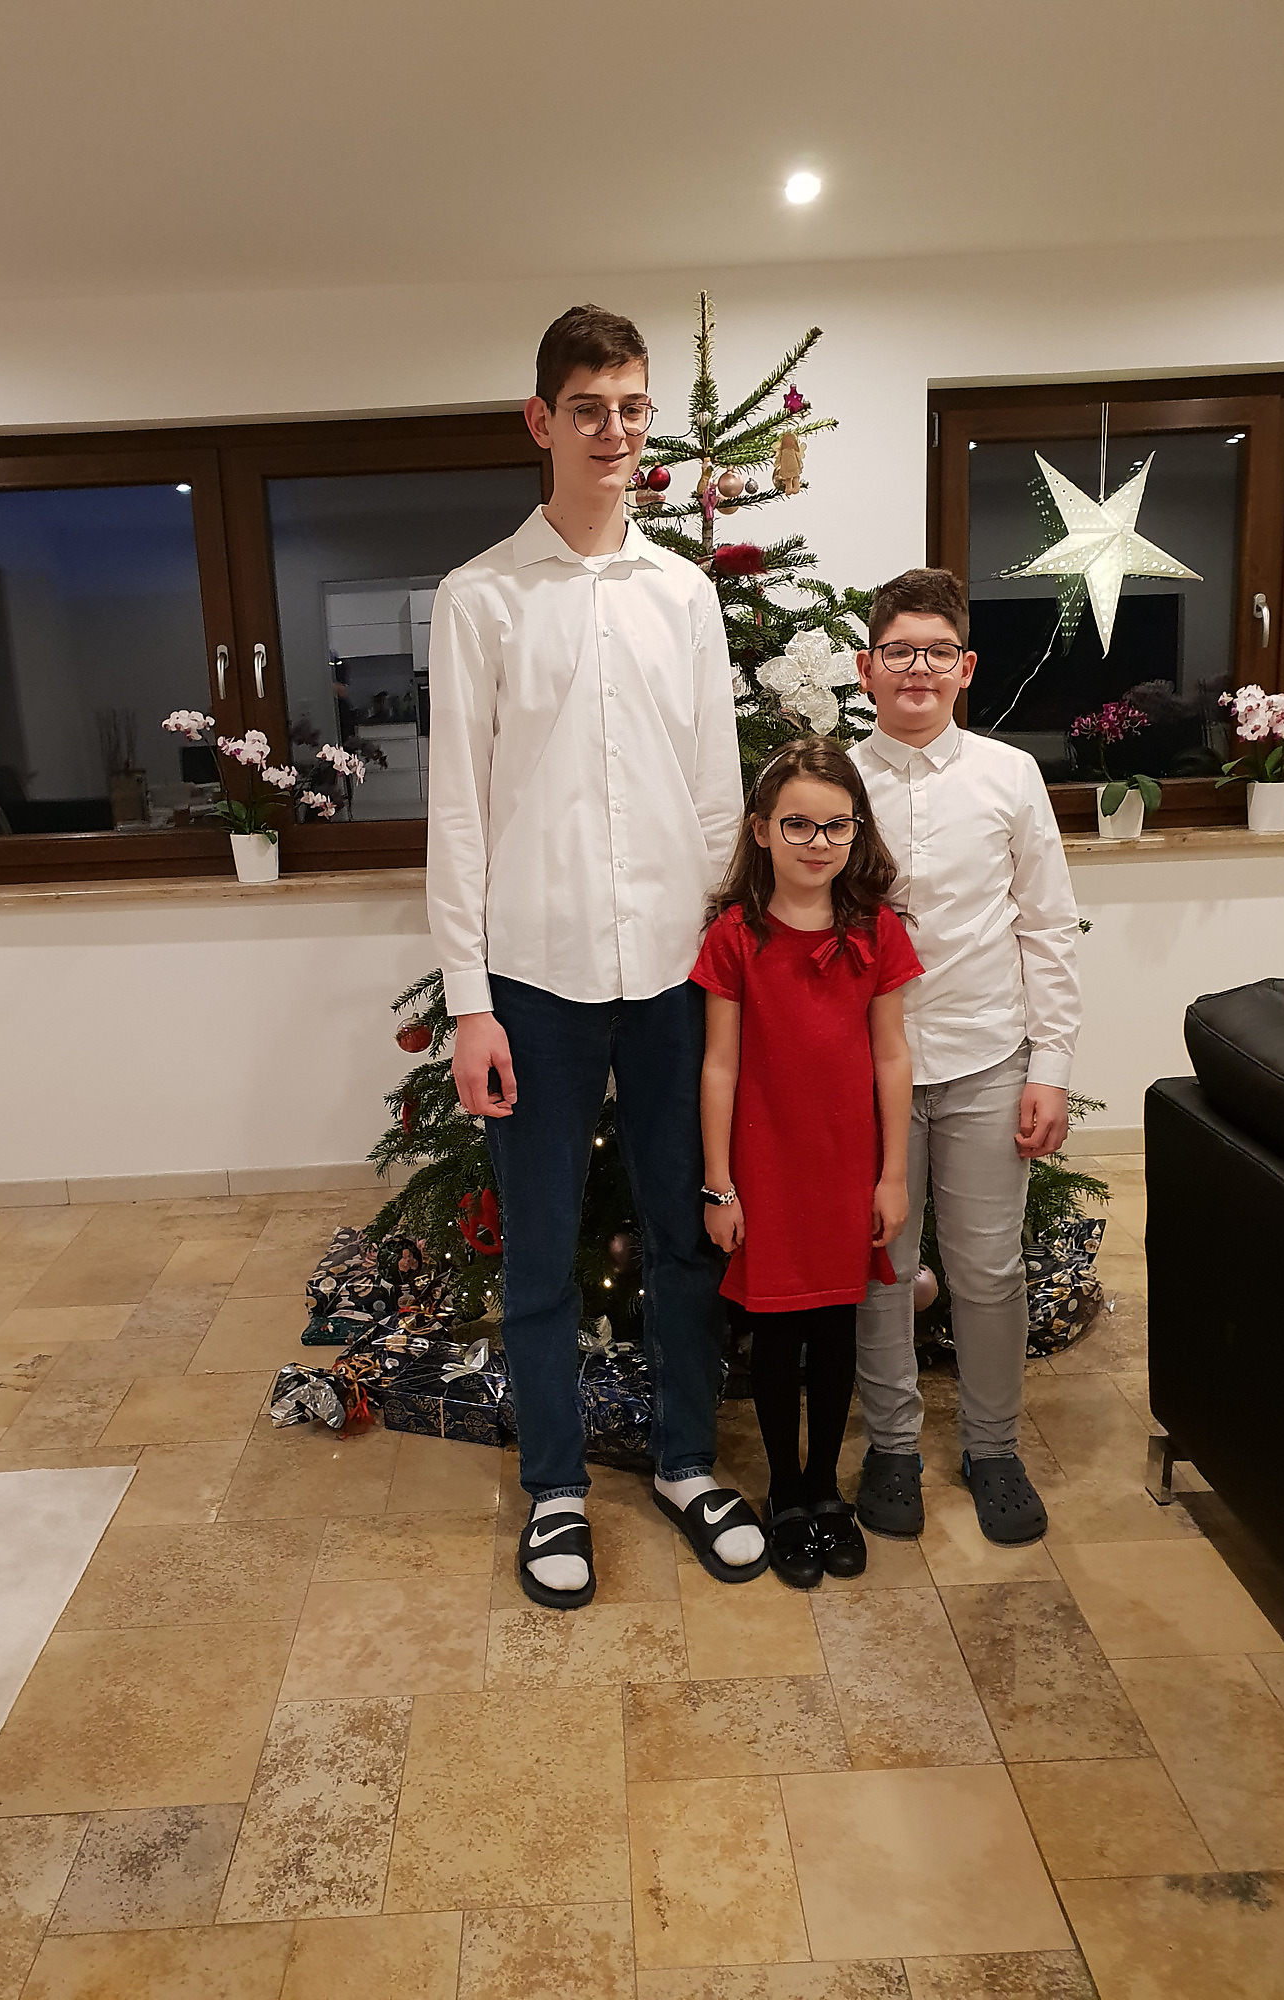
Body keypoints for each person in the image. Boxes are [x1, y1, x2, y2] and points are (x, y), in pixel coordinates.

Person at [425, 302, 770, 1609]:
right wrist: (470, 1004)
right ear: (542, 420)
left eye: (631, 408)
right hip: (535, 980)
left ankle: (685, 1462)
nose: (613, 431)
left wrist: (730, 969)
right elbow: (459, 813)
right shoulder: (480, 600)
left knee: (687, 1233)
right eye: (588, 409)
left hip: (678, 973)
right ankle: (556, 1489)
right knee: (540, 1252)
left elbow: (714, 792)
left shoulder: (684, 595)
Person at [849, 568, 1081, 1545]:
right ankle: (892, 1446)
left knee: (988, 1270)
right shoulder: (833, 782)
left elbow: (1048, 925)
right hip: (867, 1068)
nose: (918, 669)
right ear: (866, 667)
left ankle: (992, 1448)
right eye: (899, 650)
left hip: (987, 1055)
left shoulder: (1008, 775)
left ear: (967, 667)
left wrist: (1051, 1064)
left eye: (937, 652)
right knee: (882, 1267)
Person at [692, 737, 922, 1587]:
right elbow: (719, 1066)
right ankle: (785, 1492)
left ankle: (825, 1487)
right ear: (761, 830)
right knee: (777, 1334)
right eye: (798, 824)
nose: (818, 842)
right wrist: (720, 1185)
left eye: (837, 825)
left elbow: (891, 1056)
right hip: (765, 1169)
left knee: (834, 1333)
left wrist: (892, 1175)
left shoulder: (877, 932)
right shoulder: (734, 937)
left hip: (845, 1168)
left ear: (858, 831)